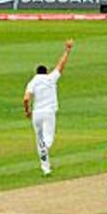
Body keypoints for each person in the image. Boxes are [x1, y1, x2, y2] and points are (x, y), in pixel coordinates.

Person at [24, 39, 74, 176]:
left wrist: (27, 111)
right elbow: (61, 65)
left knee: (39, 141)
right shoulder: (50, 78)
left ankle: (45, 168)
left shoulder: (32, 82)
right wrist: (67, 50)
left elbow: (26, 98)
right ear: (45, 72)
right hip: (48, 113)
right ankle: (45, 150)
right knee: (48, 140)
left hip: (36, 114)